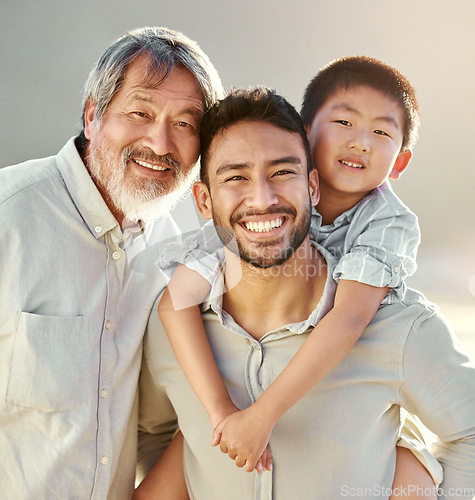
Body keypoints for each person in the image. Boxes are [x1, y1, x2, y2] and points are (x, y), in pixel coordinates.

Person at [137, 87, 475, 499]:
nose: (262, 198)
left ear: (312, 187)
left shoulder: (397, 326)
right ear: (204, 201)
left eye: (282, 172)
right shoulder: (171, 324)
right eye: (236, 177)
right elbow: (154, 436)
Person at [156, 56, 421, 472]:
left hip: (356, 398)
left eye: (382, 132)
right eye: (345, 124)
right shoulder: (256, 209)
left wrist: (262, 416)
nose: (361, 142)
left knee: (410, 467)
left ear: (400, 162)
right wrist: (221, 411)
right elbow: (175, 302)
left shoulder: (387, 224)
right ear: (307, 134)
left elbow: (349, 319)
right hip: (257, 372)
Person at [0, 26, 223, 499]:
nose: (161, 144)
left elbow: (153, 427)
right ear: (92, 114)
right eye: (141, 112)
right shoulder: (9, 214)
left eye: (185, 123)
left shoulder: (171, 250)